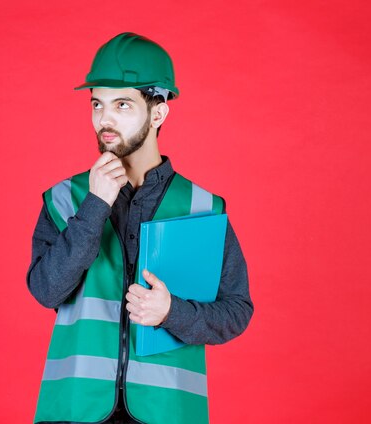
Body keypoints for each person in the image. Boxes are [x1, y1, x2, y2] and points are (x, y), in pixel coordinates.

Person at [26, 32, 254, 424]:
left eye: (122, 105)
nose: (104, 119)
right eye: (97, 104)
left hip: (167, 412)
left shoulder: (201, 208)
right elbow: (47, 291)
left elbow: (236, 311)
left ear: (159, 112)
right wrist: (95, 206)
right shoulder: (64, 199)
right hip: (76, 409)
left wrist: (172, 312)